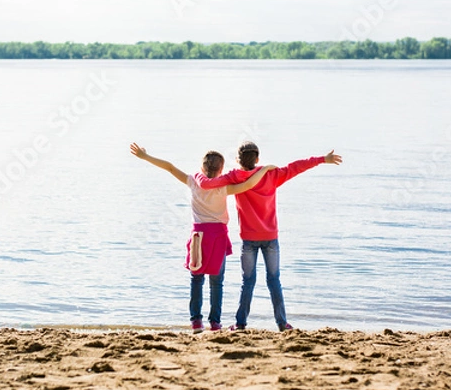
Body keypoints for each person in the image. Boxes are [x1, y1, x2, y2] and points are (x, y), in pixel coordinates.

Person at [193, 141, 342, 331]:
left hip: (249, 239)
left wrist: (197, 176)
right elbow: (296, 167)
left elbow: (209, 184)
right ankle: (282, 323)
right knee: (274, 280)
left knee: (247, 282)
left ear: (238, 160)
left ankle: (240, 323)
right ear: (257, 159)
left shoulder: (235, 176)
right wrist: (322, 159)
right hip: (271, 237)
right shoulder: (272, 174)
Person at [130, 143, 276, 333]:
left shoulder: (193, 182)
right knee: (217, 282)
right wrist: (264, 169)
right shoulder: (224, 188)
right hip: (218, 237)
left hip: (199, 236)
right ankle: (215, 323)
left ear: (202, 167)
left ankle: (196, 322)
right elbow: (249, 184)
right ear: (221, 169)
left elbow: (170, 167)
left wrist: (145, 156)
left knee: (196, 280)